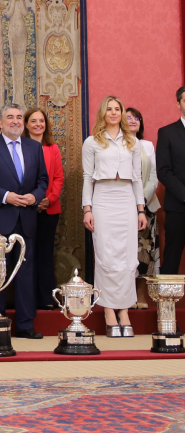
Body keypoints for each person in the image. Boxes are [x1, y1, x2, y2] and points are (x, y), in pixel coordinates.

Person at [0, 103, 48, 339]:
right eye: (10, 117)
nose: (15, 121)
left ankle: (26, 325)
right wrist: (7, 197)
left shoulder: (34, 147)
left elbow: (43, 180)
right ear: (1, 122)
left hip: (26, 219)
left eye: (18, 117)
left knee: (25, 272)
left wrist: (35, 196)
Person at [82, 96, 146, 337]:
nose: (113, 112)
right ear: (102, 113)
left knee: (128, 257)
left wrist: (141, 209)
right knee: (106, 255)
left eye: (117, 109)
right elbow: (88, 177)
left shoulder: (133, 142)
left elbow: (138, 178)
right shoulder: (92, 143)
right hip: (103, 199)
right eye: (109, 109)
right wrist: (87, 209)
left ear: (122, 113)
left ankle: (124, 310)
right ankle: (109, 309)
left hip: (127, 199)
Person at [23, 108, 64, 310]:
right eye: (33, 121)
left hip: (49, 209)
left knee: (45, 254)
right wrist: (32, 200)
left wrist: (49, 199)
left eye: (41, 121)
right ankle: (27, 299)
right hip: (25, 209)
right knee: (26, 254)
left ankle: (47, 298)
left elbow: (58, 177)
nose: (38, 124)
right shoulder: (19, 147)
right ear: (26, 125)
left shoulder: (52, 148)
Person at [126, 107, 160, 309]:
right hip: (121, 205)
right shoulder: (116, 145)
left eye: (136, 118)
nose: (132, 121)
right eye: (128, 117)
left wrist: (141, 200)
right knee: (126, 251)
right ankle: (125, 295)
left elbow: (153, 176)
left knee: (145, 251)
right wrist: (129, 201)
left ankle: (140, 295)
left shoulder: (147, 145)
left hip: (145, 207)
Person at [156, 86, 185, 277]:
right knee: (172, 259)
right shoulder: (167, 133)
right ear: (178, 103)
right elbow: (163, 172)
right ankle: (166, 307)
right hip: (178, 207)